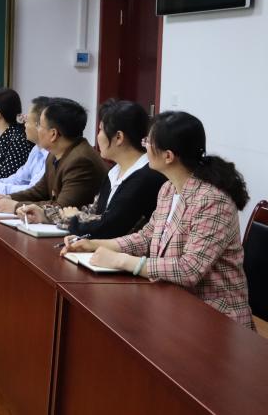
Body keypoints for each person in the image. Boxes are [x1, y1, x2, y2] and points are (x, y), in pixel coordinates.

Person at [62, 111, 253, 329]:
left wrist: (121, 261)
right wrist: (93, 244)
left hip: (215, 318)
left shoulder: (212, 201)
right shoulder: (168, 189)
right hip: (172, 304)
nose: (144, 147)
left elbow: (189, 269)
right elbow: (146, 237)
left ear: (168, 156)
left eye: (148, 142)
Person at [18, 100, 165, 238]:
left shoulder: (145, 178)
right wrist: (45, 215)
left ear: (119, 137)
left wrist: (73, 218)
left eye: (100, 130)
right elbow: (93, 211)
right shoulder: (116, 171)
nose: (98, 136)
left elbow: (108, 226)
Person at [0, 98, 106, 214]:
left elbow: (61, 208)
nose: (37, 129)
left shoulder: (81, 161)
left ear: (53, 134)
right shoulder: (54, 154)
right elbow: (39, 192)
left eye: (39, 125)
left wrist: (15, 206)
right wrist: (9, 198)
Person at [0, 96, 51, 196]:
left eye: (27, 120)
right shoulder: (36, 149)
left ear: (39, 126)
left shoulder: (20, 140)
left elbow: (33, 191)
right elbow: (18, 178)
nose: (24, 124)